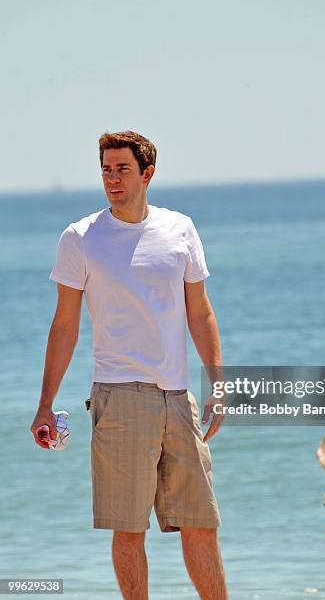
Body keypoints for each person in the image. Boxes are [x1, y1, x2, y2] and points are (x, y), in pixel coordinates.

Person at [30, 130, 228, 600]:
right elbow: (64, 327)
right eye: (105, 170)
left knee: (202, 523)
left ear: (147, 173)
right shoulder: (80, 238)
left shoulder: (180, 228)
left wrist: (218, 384)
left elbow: (200, 313)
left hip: (179, 398)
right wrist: (45, 403)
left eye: (121, 169)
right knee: (129, 529)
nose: (112, 178)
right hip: (119, 398)